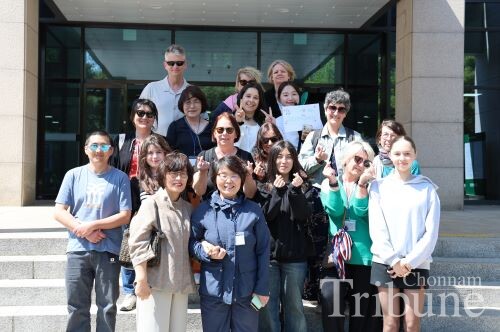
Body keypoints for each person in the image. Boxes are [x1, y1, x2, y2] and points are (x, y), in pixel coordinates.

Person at [54, 130, 132, 332]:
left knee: (107, 306)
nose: (99, 150)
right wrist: (85, 230)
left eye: (104, 146)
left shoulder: (120, 178)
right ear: (86, 149)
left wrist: (93, 226)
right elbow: (59, 211)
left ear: (111, 151)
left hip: (108, 250)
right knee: (76, 305)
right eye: (94, 146)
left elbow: (125, 215)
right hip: (78, 249)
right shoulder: (73, 175)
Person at [189, 156, 271, 332]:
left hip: (247, 294)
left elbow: (263, 251)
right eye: (223, 175)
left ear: (242, 179)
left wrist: (262, 288)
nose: (228, 181)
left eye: (234, 175)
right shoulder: (204, 210)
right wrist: (205, 251)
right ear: (215, 178)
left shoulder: (253, 210)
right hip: (214, 292)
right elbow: (192, 243)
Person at [369, 136, 440, 332]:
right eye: (397, 153)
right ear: (390, 155)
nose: (402, 158)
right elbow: (377, 228)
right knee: (390, 323)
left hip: (417, 263)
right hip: (385, 262)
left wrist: (409, 262)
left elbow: (431, 232)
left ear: (415, 156)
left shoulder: (427, 188)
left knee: (411, 324)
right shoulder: (378, 187)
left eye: (407, 153)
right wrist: (394, 261)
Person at [298, 89, 361, 303]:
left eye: (341, 109)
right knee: (316, 244)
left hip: (344, 196)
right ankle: (314, 291)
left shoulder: (354, 136)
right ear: (325, 109)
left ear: (346, 112)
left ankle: (343, 292)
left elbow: (361, 164)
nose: (336, 112)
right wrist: (317, 158)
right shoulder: (314, 136)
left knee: (342, 240)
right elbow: (301, 165)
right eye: (332, 108)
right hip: (317, 197)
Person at [111, 99, 169, 312]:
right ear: (132, 116)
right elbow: (115, 171)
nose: (144, 117)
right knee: (129, 242)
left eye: (149, 114)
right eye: (140, 113)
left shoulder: (161, 141)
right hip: (128, 199)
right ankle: (129, 291)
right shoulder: (121, 141)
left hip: (153, 199)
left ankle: (149, 283)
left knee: (153, 243)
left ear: (154, 118)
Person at [129, 152, 195, 332]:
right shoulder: (152, 204)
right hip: (154, 283)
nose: (179, 178)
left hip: (180, 284)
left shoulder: (188, 208)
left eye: (183, 173)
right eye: (173, 174)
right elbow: (137, 242)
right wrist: (140, 278)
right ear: (163, 175)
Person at [320, 140, 382, 331]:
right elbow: (335, 210)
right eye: (357, 159)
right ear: (346, 160)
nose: (360, 164)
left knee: (360, 314)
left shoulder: (372, 186)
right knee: (331, 302)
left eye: (366, 162)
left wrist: (363, 184)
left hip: (363, 257)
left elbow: (361, 211)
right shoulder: (329, 182)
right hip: (337, 257)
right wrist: (333, 184)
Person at [257, 141, 311, 332]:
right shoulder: (263, 186)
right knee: (265, 308)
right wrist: (278, 193)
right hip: (268, 259)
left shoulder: (303, 185)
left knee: (295, 309)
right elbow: (266, 216)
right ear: (272, 159)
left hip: (295, 259)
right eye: (279, 156)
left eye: (289, 156)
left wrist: (295, 191)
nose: (284, 161)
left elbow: (304, 216)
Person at [192, 113, 257, 200]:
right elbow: (199, 192)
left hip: (240, 210)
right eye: (220, 130)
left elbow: (250, 194)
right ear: (214, 133)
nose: (224, 133)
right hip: (211, 210)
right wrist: (202, 172)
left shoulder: (245, 157)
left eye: (229, 130)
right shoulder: (203, 157)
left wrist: (248, 176)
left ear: (236, 134)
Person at [140, 44, 189, 136]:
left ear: (185, 65)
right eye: (171, 63)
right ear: (165, 65)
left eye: (179, 63)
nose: (175, 66)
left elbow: (202, 119)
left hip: (184, 145)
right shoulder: (151, 88)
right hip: (157, 145)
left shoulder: (192, 91)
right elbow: (139, 117)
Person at [166, 85, 215, 161]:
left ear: (202, 104)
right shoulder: (174, 127)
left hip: (207, 170)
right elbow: (169, 154)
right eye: (188, 102)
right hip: (182, 171)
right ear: (182, 105)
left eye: (196, 101)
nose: (192, 106)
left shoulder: (212, 127)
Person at [234, 82, 269, 153]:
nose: (251, 100)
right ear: (241, 98)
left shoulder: (263, 123)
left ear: (259, 101)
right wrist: (238, 123)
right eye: (248, 96)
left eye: (255, 98)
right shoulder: (230, 120)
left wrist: (271, 127)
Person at [137, 134, 171, 201]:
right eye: (150, 153)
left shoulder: (173, 177)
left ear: (165, 153)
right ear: (144, 156)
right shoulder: (136, 181)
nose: (155, 156)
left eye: (158, 152)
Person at [274, 81, 302, 150]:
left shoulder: (309, 117)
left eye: (294, 94)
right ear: (279, 99)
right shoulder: (277, 121)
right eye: (285, 95)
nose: (290, 98)